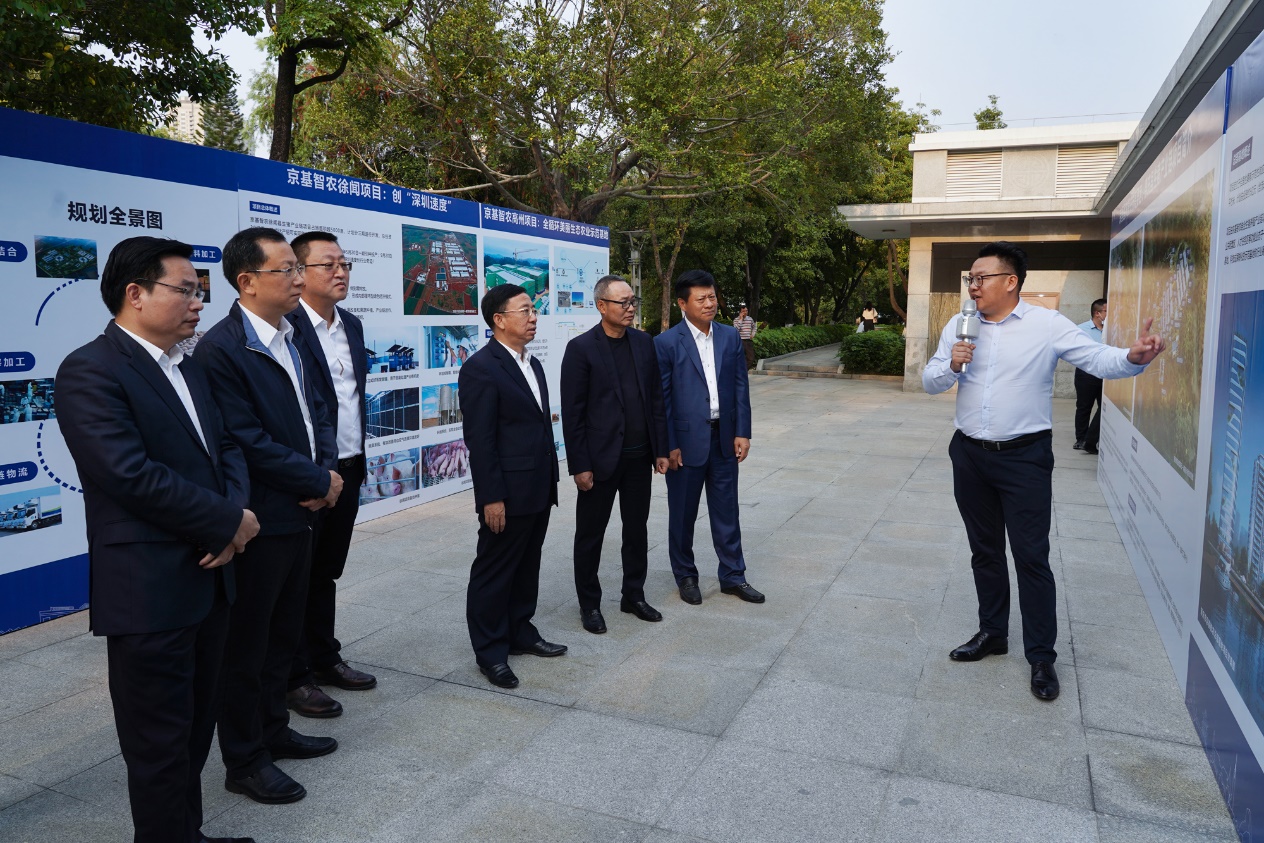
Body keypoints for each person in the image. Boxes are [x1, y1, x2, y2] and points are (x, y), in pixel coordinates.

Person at [55, 236, 260, 843]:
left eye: (200, 291)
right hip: (149, 591)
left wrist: (233, 515)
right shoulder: (90, 369)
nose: (199, 302)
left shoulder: (188, 364)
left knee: (196, 728)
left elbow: (226, 446)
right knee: (158, 743)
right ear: (135, 294)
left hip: (212, 579)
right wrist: (225, 522)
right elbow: (129, 475)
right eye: (186, 290)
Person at [923, 242, 1165, 702]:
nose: (973, 286)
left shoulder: (1046, 325)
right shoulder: (960, 325)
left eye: (981, 278)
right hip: (969, 454)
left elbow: (1096, 359)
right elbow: (929, 380)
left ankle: (1041, 656)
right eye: (970, 279)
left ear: (1010, 281)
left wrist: (1133, 358)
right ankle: (992, 633)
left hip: (1024, 458)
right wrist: (952, 364)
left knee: (1031, 556)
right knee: (984, 550)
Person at [197, 227, 342, 804]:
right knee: (247, 647)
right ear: (247, 281)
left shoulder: (292, 333)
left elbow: (320, 410)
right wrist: (315, 480)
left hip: (304, 509)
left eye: (297, 269)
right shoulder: (222, 349)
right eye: (287, 270)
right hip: (262, 517)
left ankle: (274, 731)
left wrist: (325, 473)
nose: (299, 279)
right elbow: (244, 438)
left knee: (283, 635)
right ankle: (245, 759)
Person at [284, 231, 376, 721]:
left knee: (326, 571)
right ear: (298, 272)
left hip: (350, 465)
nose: (340, 272)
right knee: (296, 578)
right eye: (328, 264)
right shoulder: (287, 328)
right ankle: (293, 676)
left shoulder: (351, 324)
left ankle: (324, 656)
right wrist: (316, 473)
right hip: (309, 475)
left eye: (344, 264)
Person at [459, 283, 566, 689]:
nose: (533, 317)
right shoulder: (481, 368)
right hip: (506, 491)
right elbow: (481, 440)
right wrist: (491, 498)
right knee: (495, 570)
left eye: (534, 310)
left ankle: (520, 630)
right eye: (525, 311)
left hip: (538, 485)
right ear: (499, 320)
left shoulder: (532, 363)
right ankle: (490, 652)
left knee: (527, 564)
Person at [560, 275, 670, 634]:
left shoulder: (643, 342)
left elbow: (655, 399)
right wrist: (580, 465)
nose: (630, 307)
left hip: (639, 458)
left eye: (632, 300)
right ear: (601, 306)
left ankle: (633, 595)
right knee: (590, 535)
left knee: (636, 530)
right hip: (600, 460)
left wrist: (661, 449)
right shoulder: (581, 348)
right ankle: (589, 604)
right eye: (622, 302)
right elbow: (573, 413)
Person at [655, 270, 764, 605]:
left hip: (724, 440)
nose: (709, 303)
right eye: (701, 298)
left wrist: (742, 431)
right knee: (682, 515)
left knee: (727, 511)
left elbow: (740, 386)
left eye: (712, 296)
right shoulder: (666, 343)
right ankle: (686, 576)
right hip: (685, 444)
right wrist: (669, 445)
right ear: (682, 303)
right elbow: (663, 400)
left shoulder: (729, 337)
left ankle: (733, 576)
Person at [1073, 298, 1108, 455]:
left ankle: (1092, 439)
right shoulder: (1081, 329)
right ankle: (1081, 439)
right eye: (1107, 311)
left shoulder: (1111, 330)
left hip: (1105, 374)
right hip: (1086, 375)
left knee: (1104, 408)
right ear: (1097, 313)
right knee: (1084, 407)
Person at [734, 303, 757, 369]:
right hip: (740, 341)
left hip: (748, 341)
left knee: (751, 358)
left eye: (746, 311)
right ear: (740, 312)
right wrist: (741, 319)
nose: (745, 312)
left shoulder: (750, 319)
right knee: (740, 358)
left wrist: (753, 334)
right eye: (743, 311)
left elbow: (754, 327)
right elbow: (736, 330)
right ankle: (740, 371)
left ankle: (743, 371)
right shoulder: (736, 320)